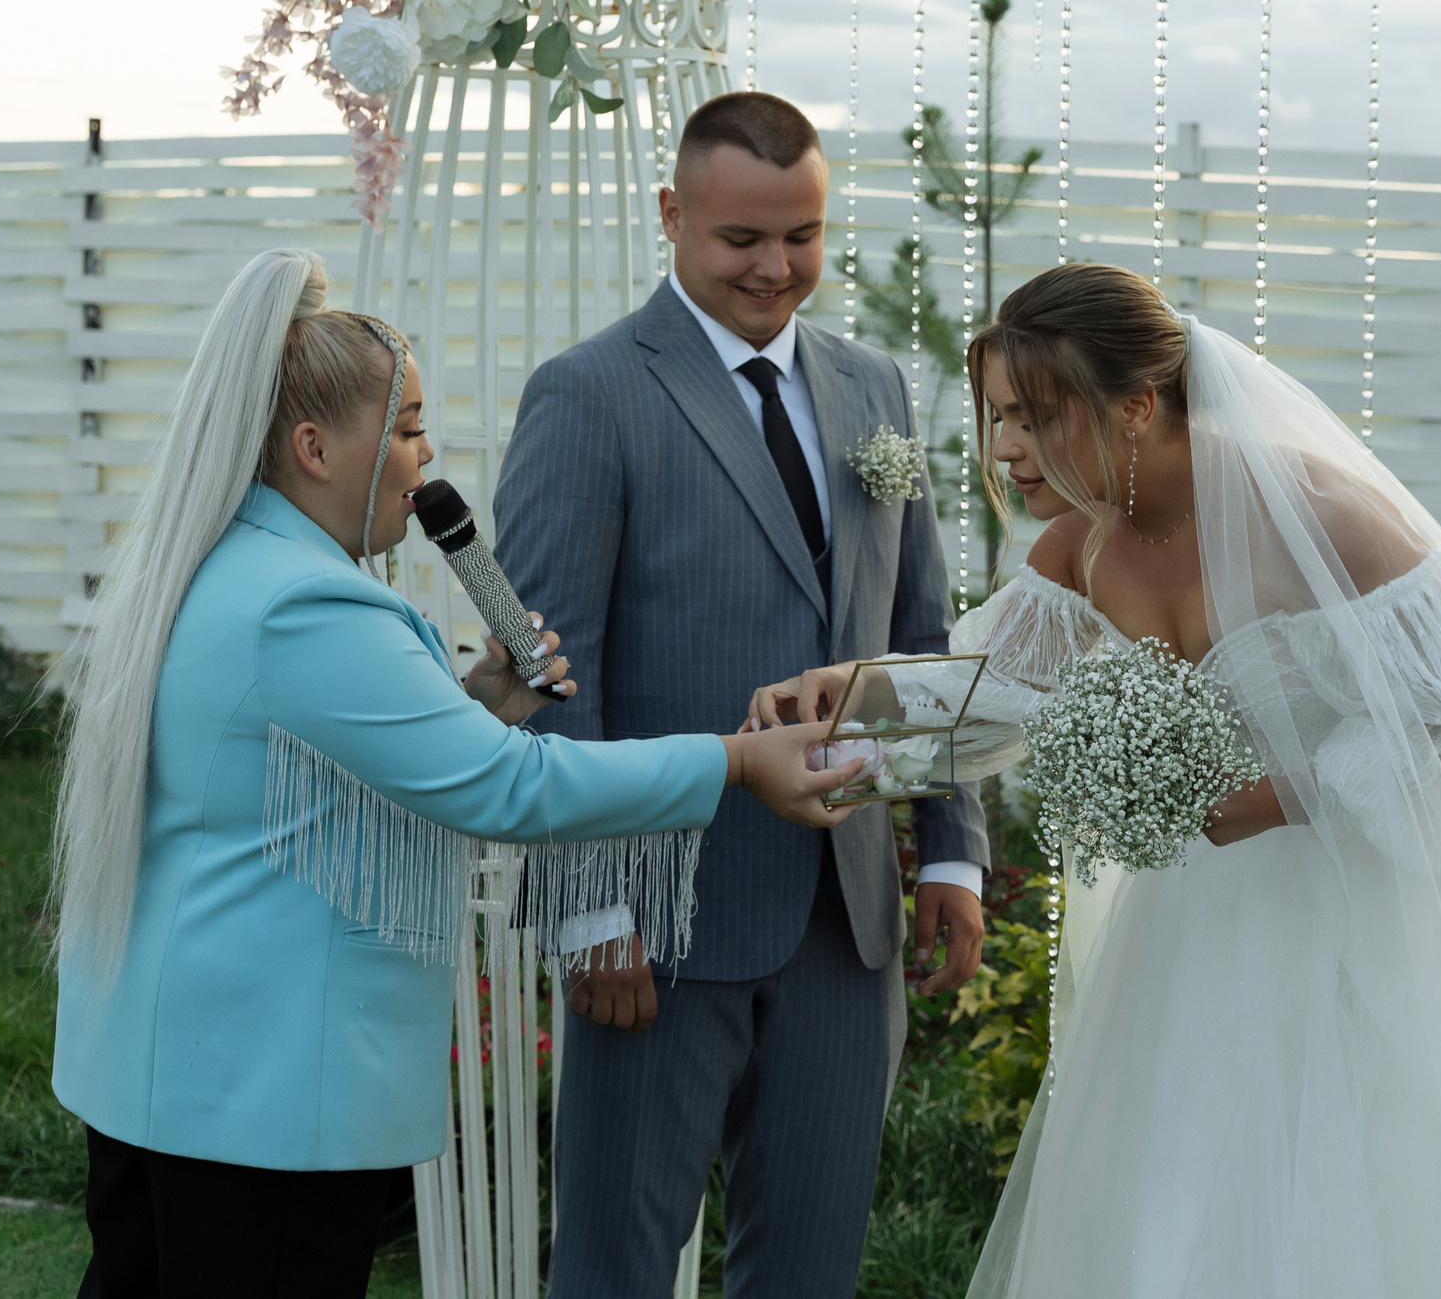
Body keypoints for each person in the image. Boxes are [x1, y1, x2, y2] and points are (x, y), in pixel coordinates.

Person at [754, 263, 1441, 1298]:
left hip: (1362, 932)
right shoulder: (1078, 542)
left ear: (1137, 406)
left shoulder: (1329, 521)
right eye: (995, 417)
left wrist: (1282, 796)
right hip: (1194, 942)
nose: (1003, 450)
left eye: (1033, 416)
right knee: (1180, 1209)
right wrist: (838, 707)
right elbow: (992, 700)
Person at [47, 248, 868, 1299]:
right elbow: (506, 790)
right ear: (311, 447)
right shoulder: (312, 604)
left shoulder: (224, 565)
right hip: (257, 1096)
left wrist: (479, 702)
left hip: (168, 1075)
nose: (427, 460)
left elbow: (313, 771)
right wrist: (737, 761)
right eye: (405, 427)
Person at [496, 91, 991, 1299]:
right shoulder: (589, 393)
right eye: (742, 240)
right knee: (614, 1267)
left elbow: (917, 632)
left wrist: (948, 857)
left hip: (846, 923)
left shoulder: (876, 389)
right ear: (671, 215)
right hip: (659, 921)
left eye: (803, 237)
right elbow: (554, 673)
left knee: (811, 1269)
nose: (777, 269)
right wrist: (589, 908)